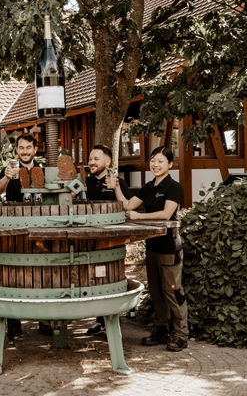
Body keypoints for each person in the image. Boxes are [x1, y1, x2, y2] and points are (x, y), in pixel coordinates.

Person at [110, 146, 188, 352]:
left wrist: (140, 216)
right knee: (155, 291)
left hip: (169, 246)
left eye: (160, 161)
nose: (155, 164)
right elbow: (127, 205)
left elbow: (166, 214)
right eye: (153, 160)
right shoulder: (149, 187)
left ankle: (181, 335)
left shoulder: (174, 187)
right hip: (152, 245)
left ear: (170, 164)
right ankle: (161, 330)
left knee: (173, 291)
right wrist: (116, 187)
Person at [0, 133, 42, 336]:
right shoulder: (10, 169)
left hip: (39, 227)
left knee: (40, 273)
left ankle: (44, 320)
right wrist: (6, 176)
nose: (25, 151)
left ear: (35, 149)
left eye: (28, 147)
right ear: (17, 151)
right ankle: (14, 324)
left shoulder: (43, 170)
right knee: (14, 274)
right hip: (15, 228)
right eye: (21, 148)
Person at [84, 144, 129, 335]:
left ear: (107, 162)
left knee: (112, 278)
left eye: (96, 159)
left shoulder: (118, 183)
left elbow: (126, 208)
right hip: (91, 241)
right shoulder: (86, 182)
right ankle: (100, 320)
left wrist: (116, 188)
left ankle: (114, 319)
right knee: (95, 279)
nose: (91, 162)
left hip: (113, 242)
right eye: (90, 159)